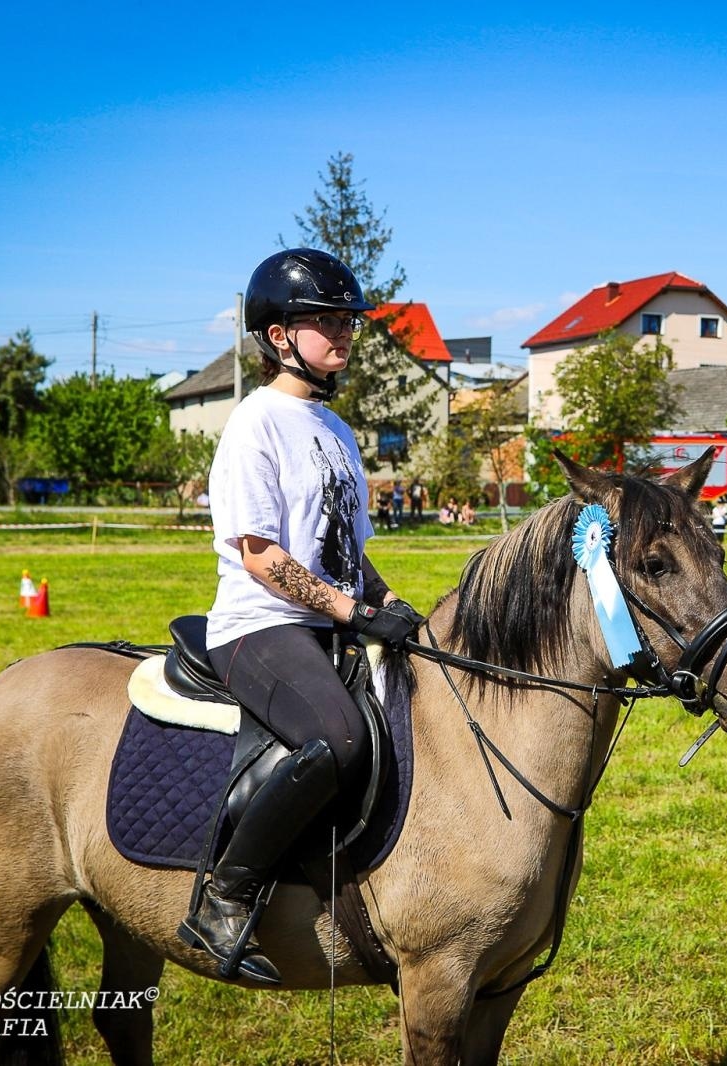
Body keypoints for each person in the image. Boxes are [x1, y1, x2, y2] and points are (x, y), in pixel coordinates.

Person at [180, 248, 424, 985]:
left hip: (324, 620)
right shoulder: (255, 424)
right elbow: (262, 556)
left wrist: (383, 601)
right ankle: (225, 895)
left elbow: (349, 551)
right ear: (279, 335)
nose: (344, 333)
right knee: (338, 737)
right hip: (258, 625)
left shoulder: (337, 429)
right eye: (325, 320)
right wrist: (351, 610)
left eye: (348, 320)